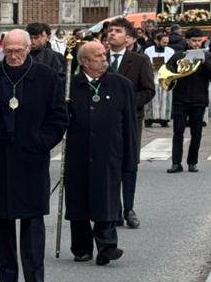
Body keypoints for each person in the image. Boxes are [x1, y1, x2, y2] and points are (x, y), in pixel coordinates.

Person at [0, 28, 69, 282]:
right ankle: (6, 280)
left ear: (28, 49)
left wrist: (40, 143)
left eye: (19, 51)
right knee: (1, 221)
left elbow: (59, 119)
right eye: (10, 50)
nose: (14, 55)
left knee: (31, 221)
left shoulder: (47, 77)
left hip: (31, 160)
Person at [64, 39, 136, 265]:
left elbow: (129, 125)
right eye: (99, 56)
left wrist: (130, 156)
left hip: (109, 152)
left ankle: (107, 247)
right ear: (84, 62)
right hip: (78, 152)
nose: (105, 59)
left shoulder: (121, 85)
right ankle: (82, 247)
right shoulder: (69, 86)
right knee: (78, 198)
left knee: (107, 197)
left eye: (104, 55)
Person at [104, 21, 154, 229]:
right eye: (110, 31)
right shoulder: (100, 58)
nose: (112, 34)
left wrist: (127, 105)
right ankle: (113, 207)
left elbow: (148, 90)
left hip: (130, 120)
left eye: (118, 31)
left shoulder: (140, 60)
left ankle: (129, 208)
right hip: (104, 120)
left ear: (131, 39)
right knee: (109, 164)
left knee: (129, 163)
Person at [167, 27, 211, 173]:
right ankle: (176, 163)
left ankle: (192, 162)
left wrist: (205, 62)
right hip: (180, 98)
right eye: (194, 41)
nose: (197, 44)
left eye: (199, 41)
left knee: (196, 133)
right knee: (178, 132)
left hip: (198, 99)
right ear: (188, 40)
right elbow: (168, 71)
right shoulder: (178, 55)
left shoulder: (208, 56)